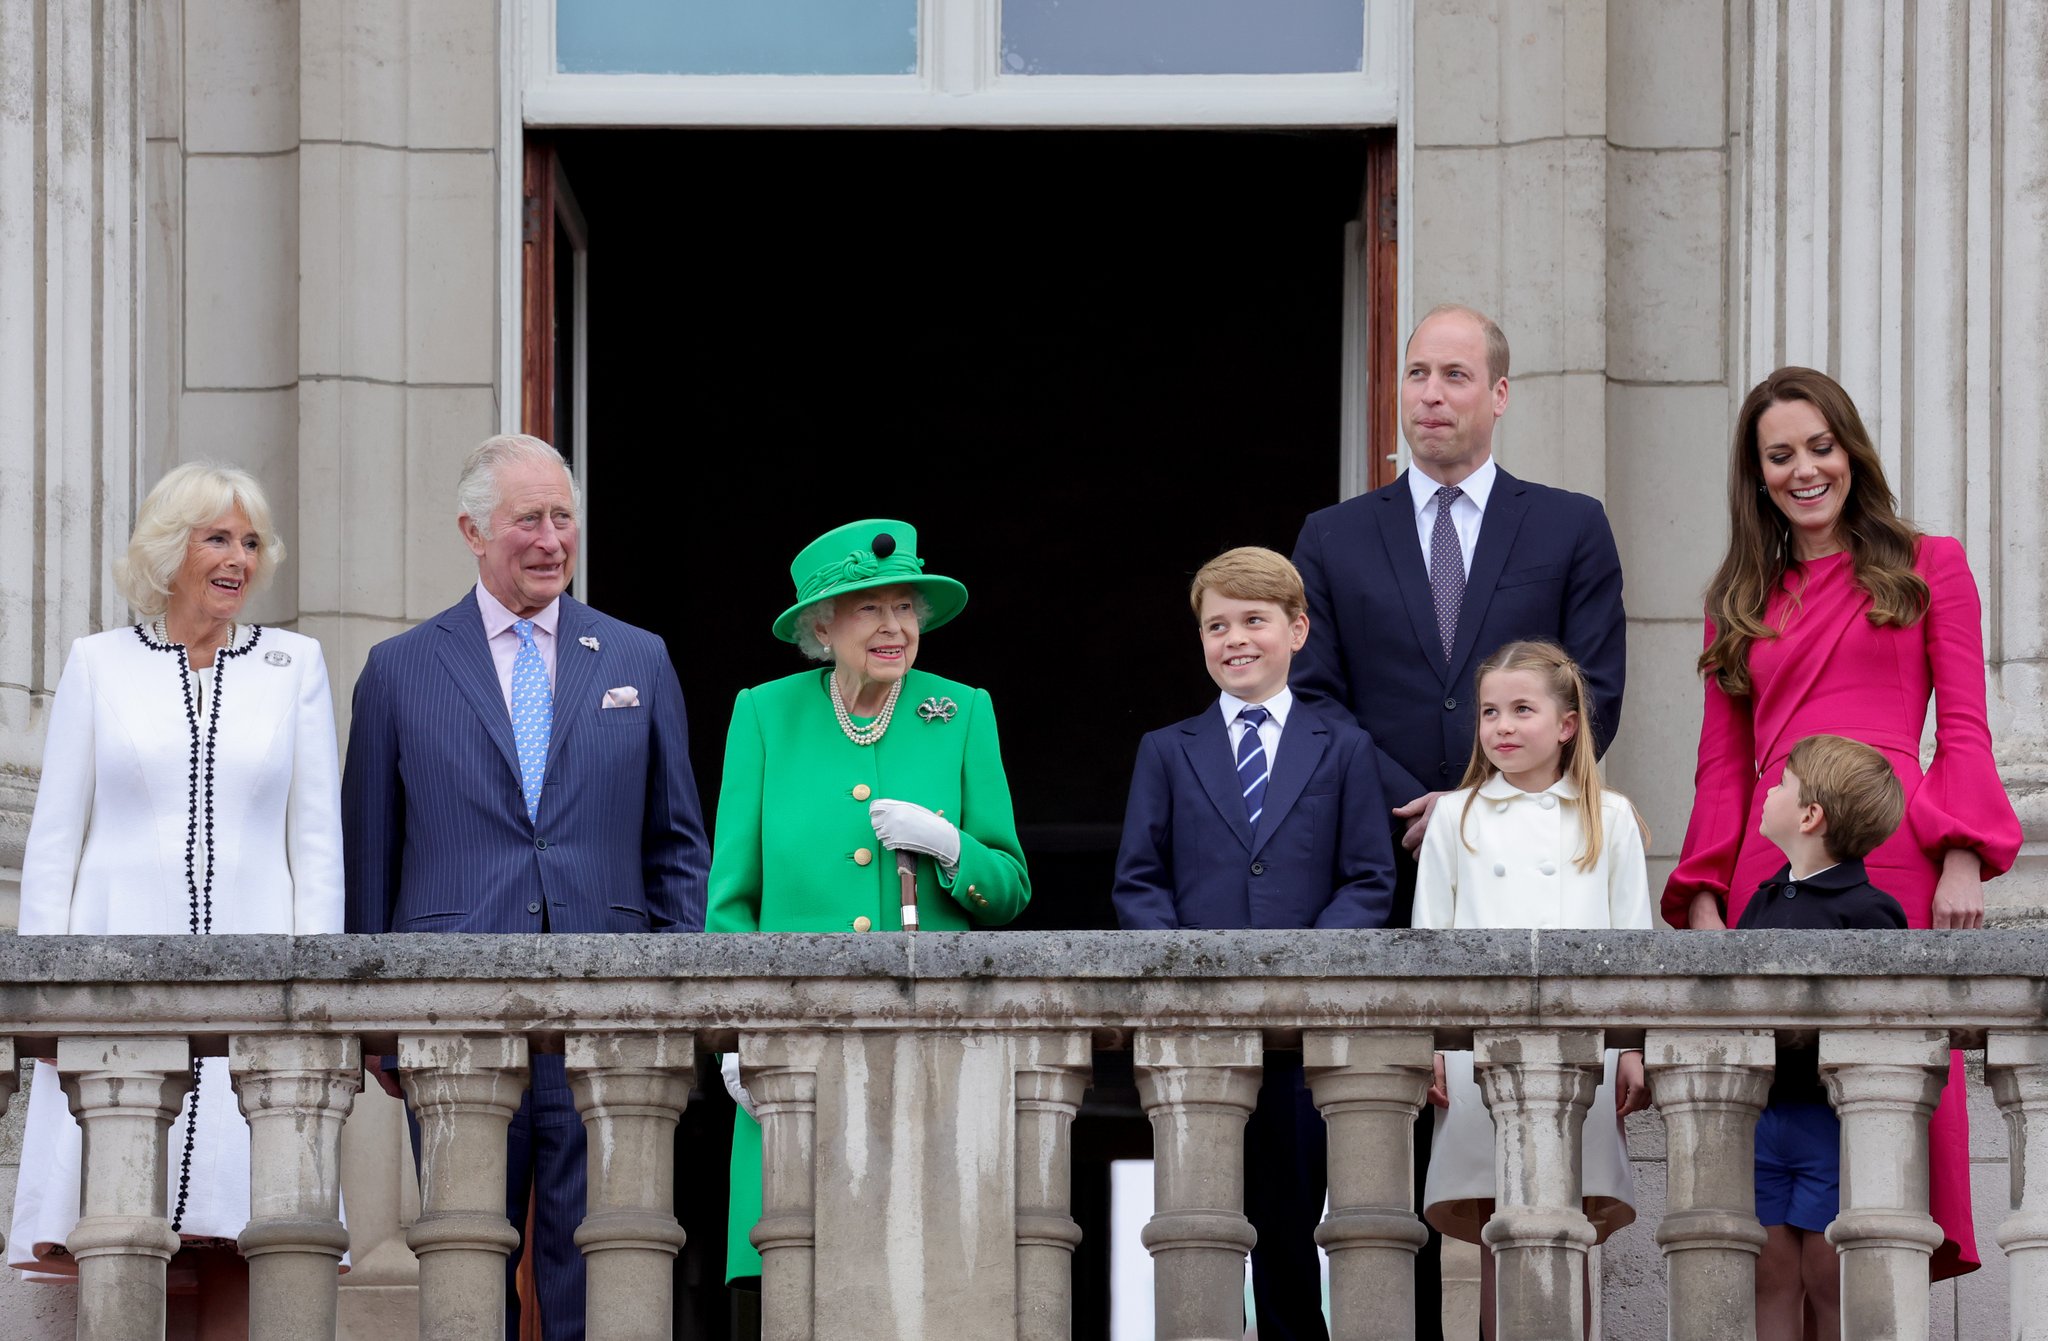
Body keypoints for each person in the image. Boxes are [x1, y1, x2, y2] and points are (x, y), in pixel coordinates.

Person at [1290, 303, 1627, 1332]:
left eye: (1453, 375)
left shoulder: (1567, 525)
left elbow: (1595, 688)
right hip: (1373, 875)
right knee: (1382, 1165)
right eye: (1417, 374)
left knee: (1525, 1179)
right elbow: (1315, 697)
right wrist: (1424, 805)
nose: (1430, 395)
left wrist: (1476, 802)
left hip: (1527, 887)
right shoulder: (1333, 536)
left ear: (1499, 393)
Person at [342, 433, 709, 1340]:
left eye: (562, 518)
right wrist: (376, 1024)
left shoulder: (638, 659)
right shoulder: (398, 670)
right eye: (527, 520)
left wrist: (679, 993)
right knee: (467, 1266)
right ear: (472, 531)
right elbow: (369, 858)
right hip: (453, 1016)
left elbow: (676, 847)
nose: (551, 539)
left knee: (601, 1264)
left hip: (610, 1017)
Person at [1663, 366, 2022, 1280]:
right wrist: (1703, 891)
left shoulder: (1930, 563)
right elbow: (1720, 765)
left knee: (1883, 1134)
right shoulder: (1737, 596)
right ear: (1757, 473)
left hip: (1892, 857)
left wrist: (1963, 855)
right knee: (1775, 1156)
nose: (1804, 470)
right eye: (1780, 455)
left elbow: (1966, 729)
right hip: (1769, 869)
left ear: (1850, 451)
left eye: (1820, 447)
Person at [10, 463, 342, 1334]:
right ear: (170, 549)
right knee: (116, 1227)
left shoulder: (295, 666)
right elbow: (55, 844)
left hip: (256, 1001)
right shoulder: (98, 664)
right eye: (217, 538)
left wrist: (320, 1003)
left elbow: (316, 848)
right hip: (112, 991)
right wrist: (43, 1004)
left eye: (250, 542)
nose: (239, 558)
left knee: (246, 1230)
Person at [706, 519, 1030, 1323]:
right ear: (822, 628)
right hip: (796, 1054)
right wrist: (735, 1035)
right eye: (870, 609)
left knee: (925, 1291)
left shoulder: (962, 711)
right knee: (795, 1283)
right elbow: (731, 901)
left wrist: (951, 846)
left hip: (927, 1054)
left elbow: (1010, 887)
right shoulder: (764, 715)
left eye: (906, 607)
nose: (895, 627)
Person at [1113, 546, 1396, 1341]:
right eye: (1217, 625)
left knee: (1290, 1223)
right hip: (1200, 1033)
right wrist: (1186, 972)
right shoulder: (1167, 748)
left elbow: (1369, 878)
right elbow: (1139, 880)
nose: (1235, 638)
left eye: (1254, 620)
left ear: (1297, 630)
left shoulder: (1344, 746)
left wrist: (1302, 967)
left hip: (1303, 1039)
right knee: (1200, 1221)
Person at [1413, 640, 1650, 1340]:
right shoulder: (1455, 816)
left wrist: (1634, 1046)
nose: (1503, 726)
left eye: (1522, 709)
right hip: (1478, 1054)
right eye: (1490, 711)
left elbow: (1635, 943)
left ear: (1567, 724)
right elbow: (1429, 942)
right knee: (1500, 1225)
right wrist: (1431, 1044)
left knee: (1567, 1221)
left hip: (1584, 1052)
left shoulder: (1610, 816)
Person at [1738, 734, 1909, 1340]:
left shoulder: (1870, 912)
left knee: (1830, 1277)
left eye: (1781, 783)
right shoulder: (1761, 902)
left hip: (1829, 1122)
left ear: (1810, 816)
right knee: (1769, 1275)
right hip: (1762, 1118)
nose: (1768, 791)